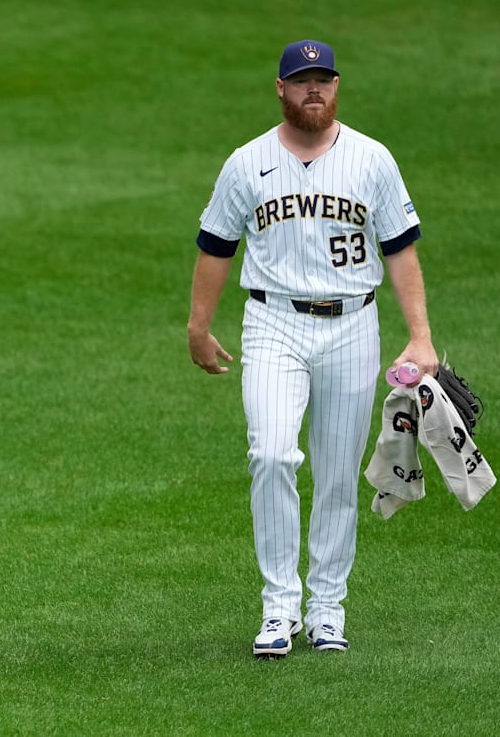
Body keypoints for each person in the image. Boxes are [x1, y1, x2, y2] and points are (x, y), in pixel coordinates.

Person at [186, 40, 439, 658]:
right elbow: (216, 245)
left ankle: (327, 608)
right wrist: (198, 325)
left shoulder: (372, 160)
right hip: (271, 323)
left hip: (353, 325)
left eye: (323, 80)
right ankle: (279, 608)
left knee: (335, 475)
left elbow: (400, 248)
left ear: (336, 86)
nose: (314, 91)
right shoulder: (247, 162)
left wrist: (421, 334)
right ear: (281, 89)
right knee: (271, 454)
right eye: (302, 82)